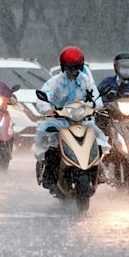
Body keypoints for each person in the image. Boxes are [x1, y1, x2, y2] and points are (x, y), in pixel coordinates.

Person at [35, 46, 110, 188]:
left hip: (82, 120)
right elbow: (45, 95)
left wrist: (96, 106)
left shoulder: (85, 80)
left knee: (98, 140)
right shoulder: (55, 81)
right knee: (49, 142)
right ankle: (47, 172)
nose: (73, 72)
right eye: (70, 68)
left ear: (81, 67)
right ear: (63, 67)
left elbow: (95, 96)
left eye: (77, 68)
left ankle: (99, 168)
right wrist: (47, 109)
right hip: (60, 121)